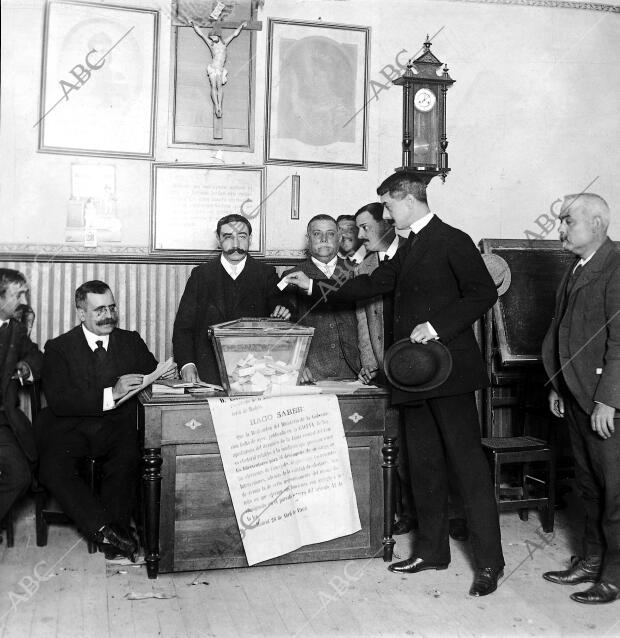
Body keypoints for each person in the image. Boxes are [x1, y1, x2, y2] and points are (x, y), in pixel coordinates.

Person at [284, 173, 504, 596]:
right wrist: (313, 285)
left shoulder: (452, 239)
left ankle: (490, 563)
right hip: (414, 376)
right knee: (423, 466)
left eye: (387, 205)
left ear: (407, 200)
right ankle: (433, 551)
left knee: (468, 469)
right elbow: (371, 284)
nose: (384, 214)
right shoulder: (408, 247)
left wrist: (437, 325)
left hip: (450, 375)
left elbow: (482, 295)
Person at [354, 202, 470, 541]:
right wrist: (371, 362)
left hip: (435, 367)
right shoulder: (372, 265)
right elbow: (365, 316)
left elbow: (473, 298)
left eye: (366, 226)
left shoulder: (430, 247)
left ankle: (456, 517)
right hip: (395, 367)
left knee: (450, 451)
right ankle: (417, 520)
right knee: (412, 450)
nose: (361, 235)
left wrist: (434, 329)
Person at [36, 281, 160, 560]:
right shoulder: (59, 348)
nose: (109, 316)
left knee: (128, 456)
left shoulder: (131, 341)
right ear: (81, 314)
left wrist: (164, 374)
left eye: (112, 308)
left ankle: (113, 542)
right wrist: (111, 393)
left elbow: (154, 374)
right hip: (71, 427)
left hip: (117, 426)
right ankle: (107, 531)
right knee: (53, 468)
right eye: (100, 310)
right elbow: (59, 401)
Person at [541, 193, 620, 605]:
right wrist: (558, 383)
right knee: (589, 487)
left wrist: (609, 400)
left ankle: (614, 575)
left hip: (605, 403)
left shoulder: (617, 265)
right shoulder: (577, 267)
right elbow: (566, 332)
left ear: (597, 224)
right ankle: (591, 561)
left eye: (568, 221)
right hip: (575, 395)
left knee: (615, 493)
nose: (561, 229)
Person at [173, 214, 290, 385]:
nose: (235, 245)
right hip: (208, 374)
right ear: (218, 240)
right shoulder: (200, 276)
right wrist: (187, 365)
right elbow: (183, 328)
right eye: (228, 237)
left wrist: (283, 310)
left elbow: (283, 309)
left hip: (255, 375)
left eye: (242, 237)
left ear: (250, 239)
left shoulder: (267, 274)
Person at [282, 214, 361, 382]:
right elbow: (287, 327)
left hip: (356, 369)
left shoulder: (356, 271)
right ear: (308, 238)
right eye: (317, 233)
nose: (324, 239)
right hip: (312, 372)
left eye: (331, 234)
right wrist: (296, 364)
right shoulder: (292, 276)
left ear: (339, 238)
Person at [0, 270, 42, 526]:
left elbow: (37, 356)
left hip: (4, 421)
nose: (22, 300)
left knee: (19, 476)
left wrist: (25, 366)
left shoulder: (14, 329)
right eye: (17, 294)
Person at [190, 20, 247, 118]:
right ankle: (216, 105)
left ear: (218, 35)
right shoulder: (211, 44)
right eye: (211, 37)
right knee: (213, 86)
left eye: (213, 36)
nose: (211, 38)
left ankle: (219, 106)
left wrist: (241, 26)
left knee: (219, 87)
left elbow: (234, 34)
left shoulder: (224, 43)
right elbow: (201, 34)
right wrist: (193, 24)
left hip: (220, 69)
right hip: (213, 68)